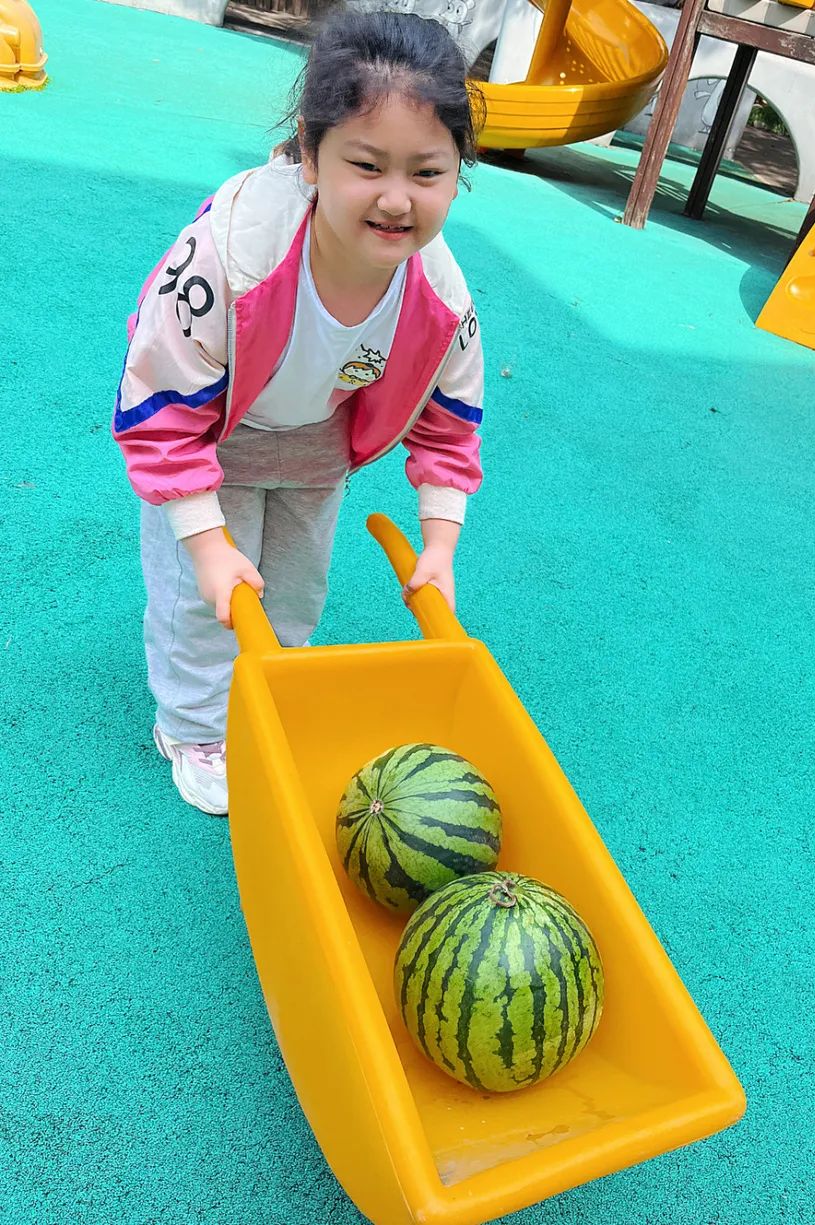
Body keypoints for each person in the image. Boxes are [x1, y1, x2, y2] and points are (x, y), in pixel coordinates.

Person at [112, 10, 486, 816]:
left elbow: (450, 418)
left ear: (459, 172)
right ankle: (190, 727)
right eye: (365, 164)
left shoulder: (440, 298)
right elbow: (162, 402)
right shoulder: (233, 257)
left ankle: (264, 695)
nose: (396, 199)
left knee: (291, 594)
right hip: (215, 433)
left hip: (317, 445)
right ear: (311, 157)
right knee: (204, 595)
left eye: (427, 173)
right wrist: (208, 544)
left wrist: (440, 541)